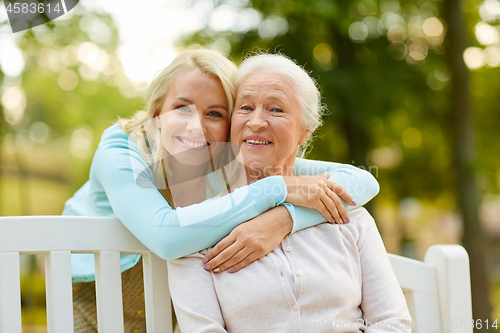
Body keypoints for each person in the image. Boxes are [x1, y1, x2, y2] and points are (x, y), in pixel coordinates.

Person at [62, 49, 380, 332]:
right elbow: (168, 236)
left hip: (168, 303)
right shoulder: (121, 149)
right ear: (157, 111)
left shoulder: (228, 156)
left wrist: (285, 218)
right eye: (182, 107)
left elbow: (360, 180)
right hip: (92, 292)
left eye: (214, 113)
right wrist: (279, 188)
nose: (195, 126)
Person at [167, 53, 411, 333]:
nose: (257, 122)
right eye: (245, 107)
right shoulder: (199, 229)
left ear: (306, 130)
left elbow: (393, 324)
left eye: (276, 109)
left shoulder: (351, 217)